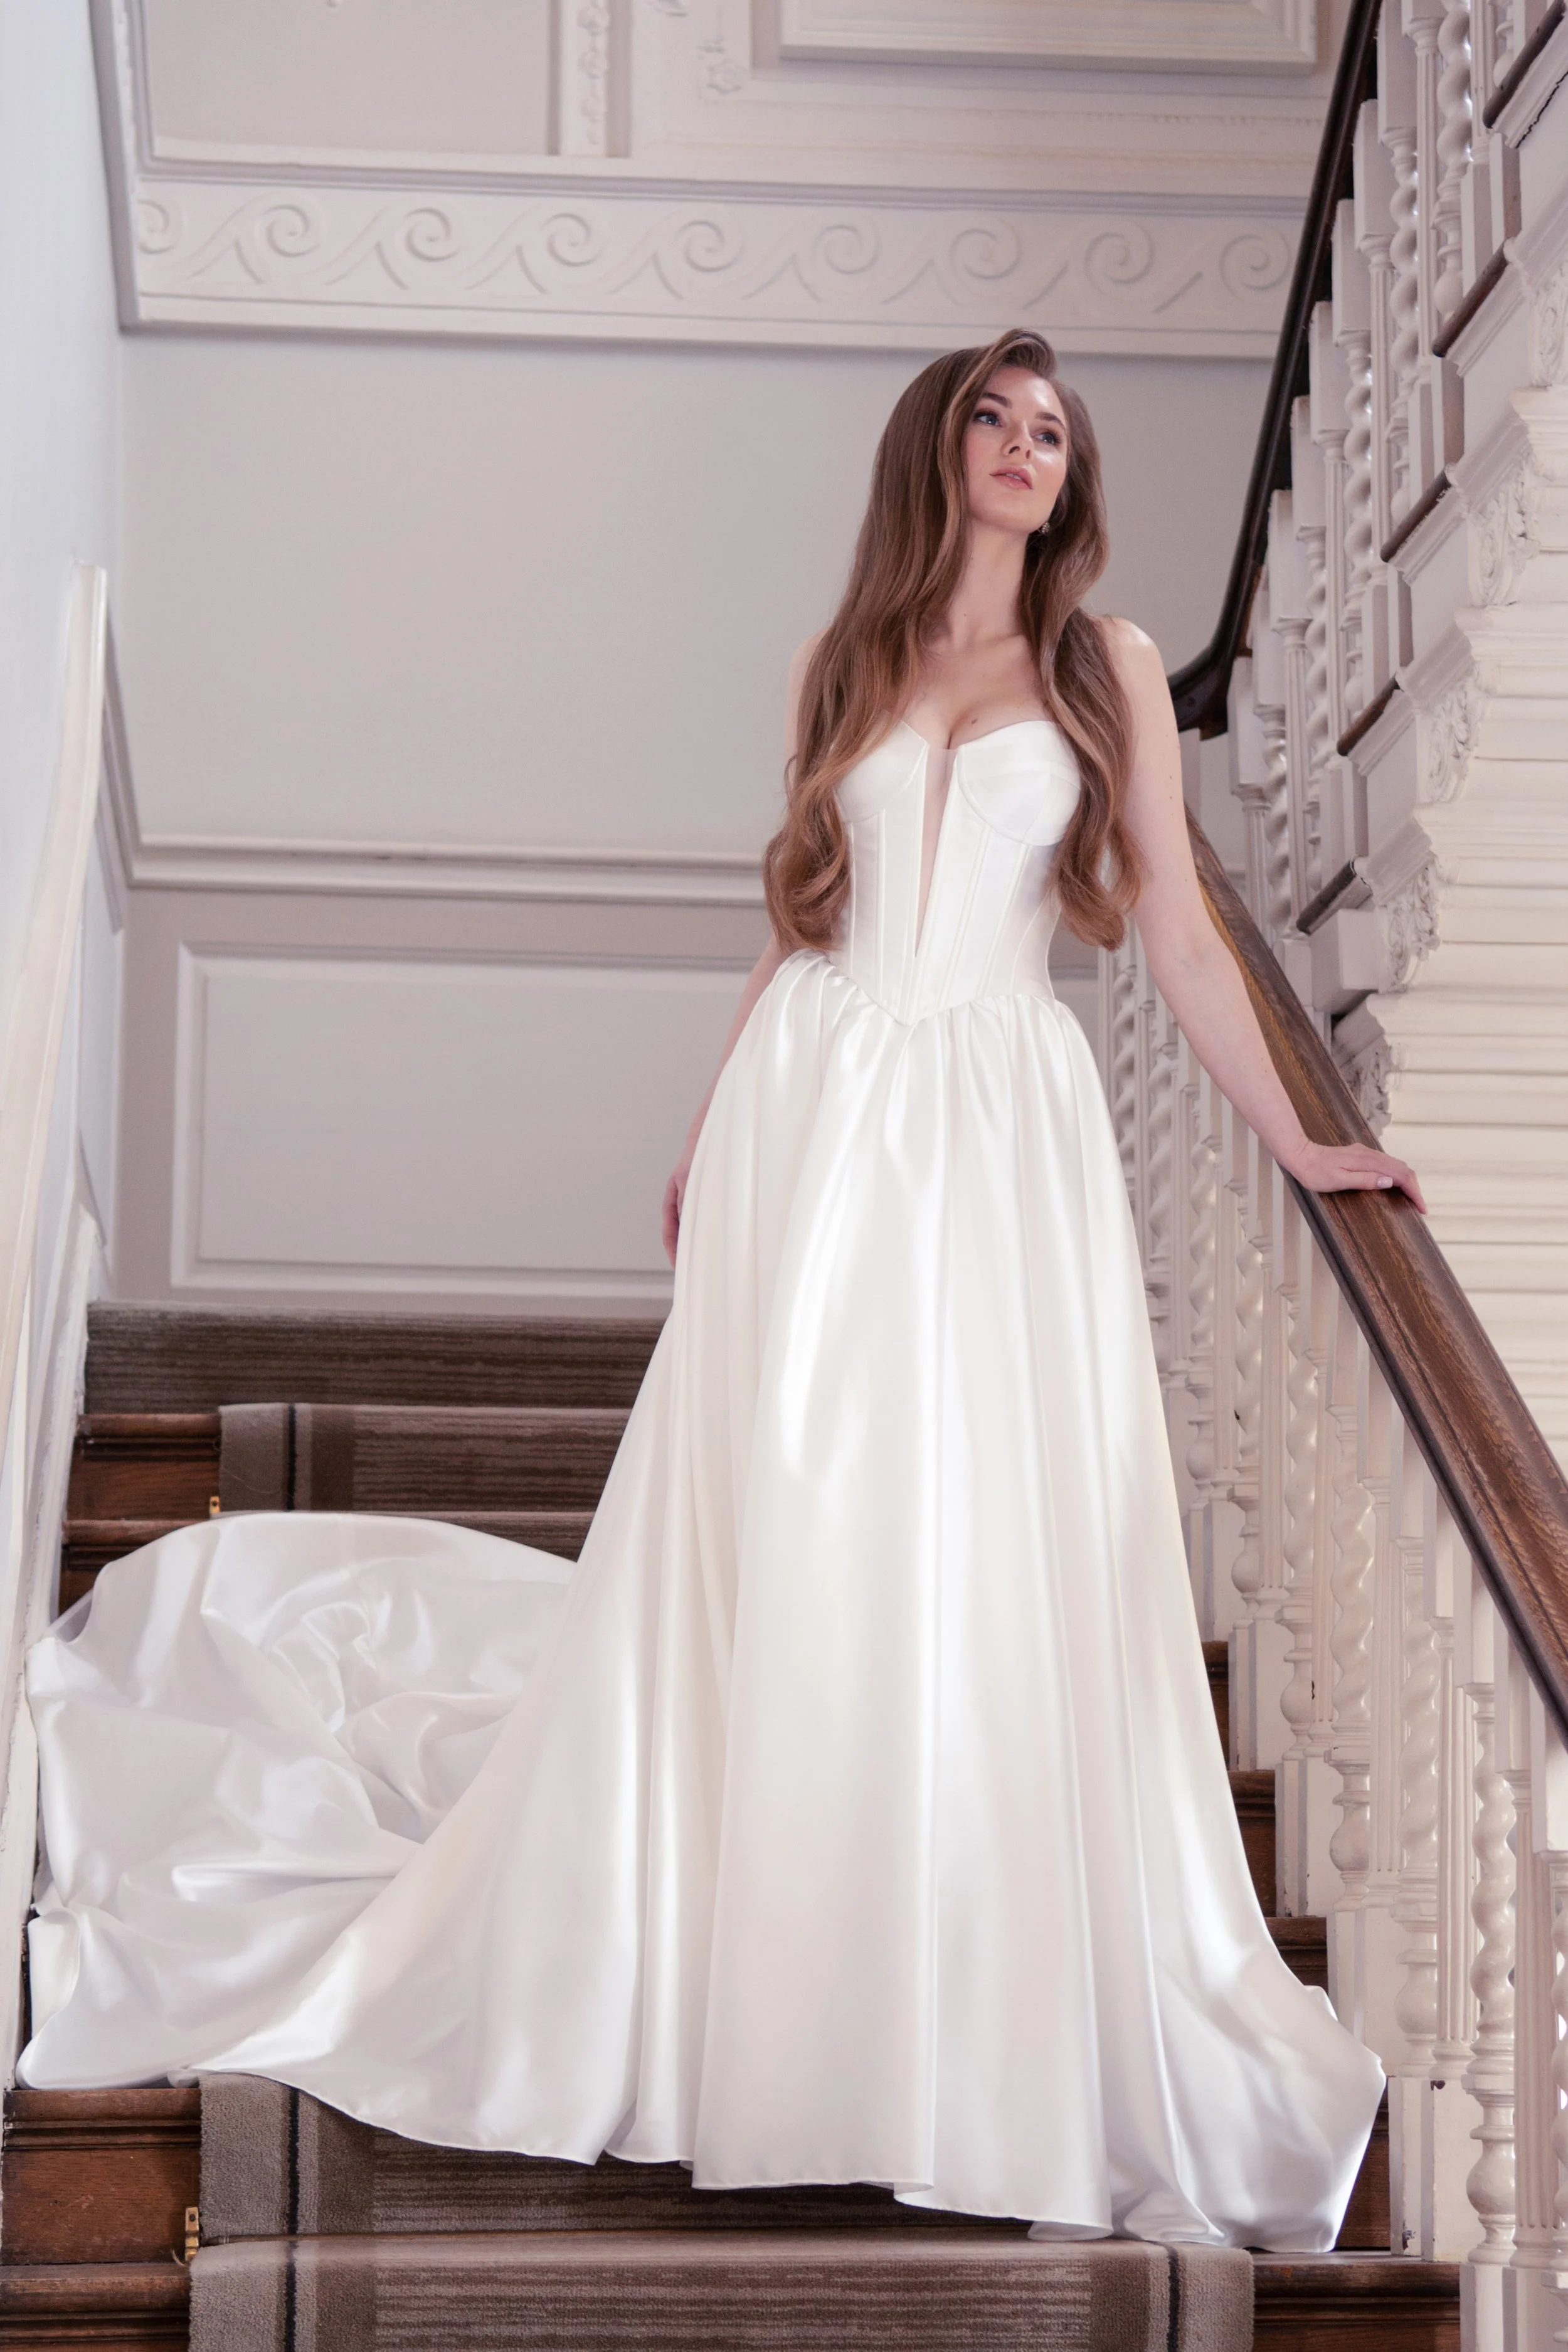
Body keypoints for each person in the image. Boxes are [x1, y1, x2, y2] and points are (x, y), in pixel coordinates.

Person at [20, 328, 1410, 2251]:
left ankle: (937, 1980)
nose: (1023, 449)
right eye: (994, 421)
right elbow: (800, 925)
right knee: (789, 1520)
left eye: (1051, 432)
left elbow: (1170, 928)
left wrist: (1303, 1145)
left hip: (996, 1126)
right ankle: (764, 1964)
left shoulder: (1104, 665)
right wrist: (706, 1126)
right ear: (939, 450)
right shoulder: (833, 667)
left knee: (973, 1533)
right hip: (814, 1113)